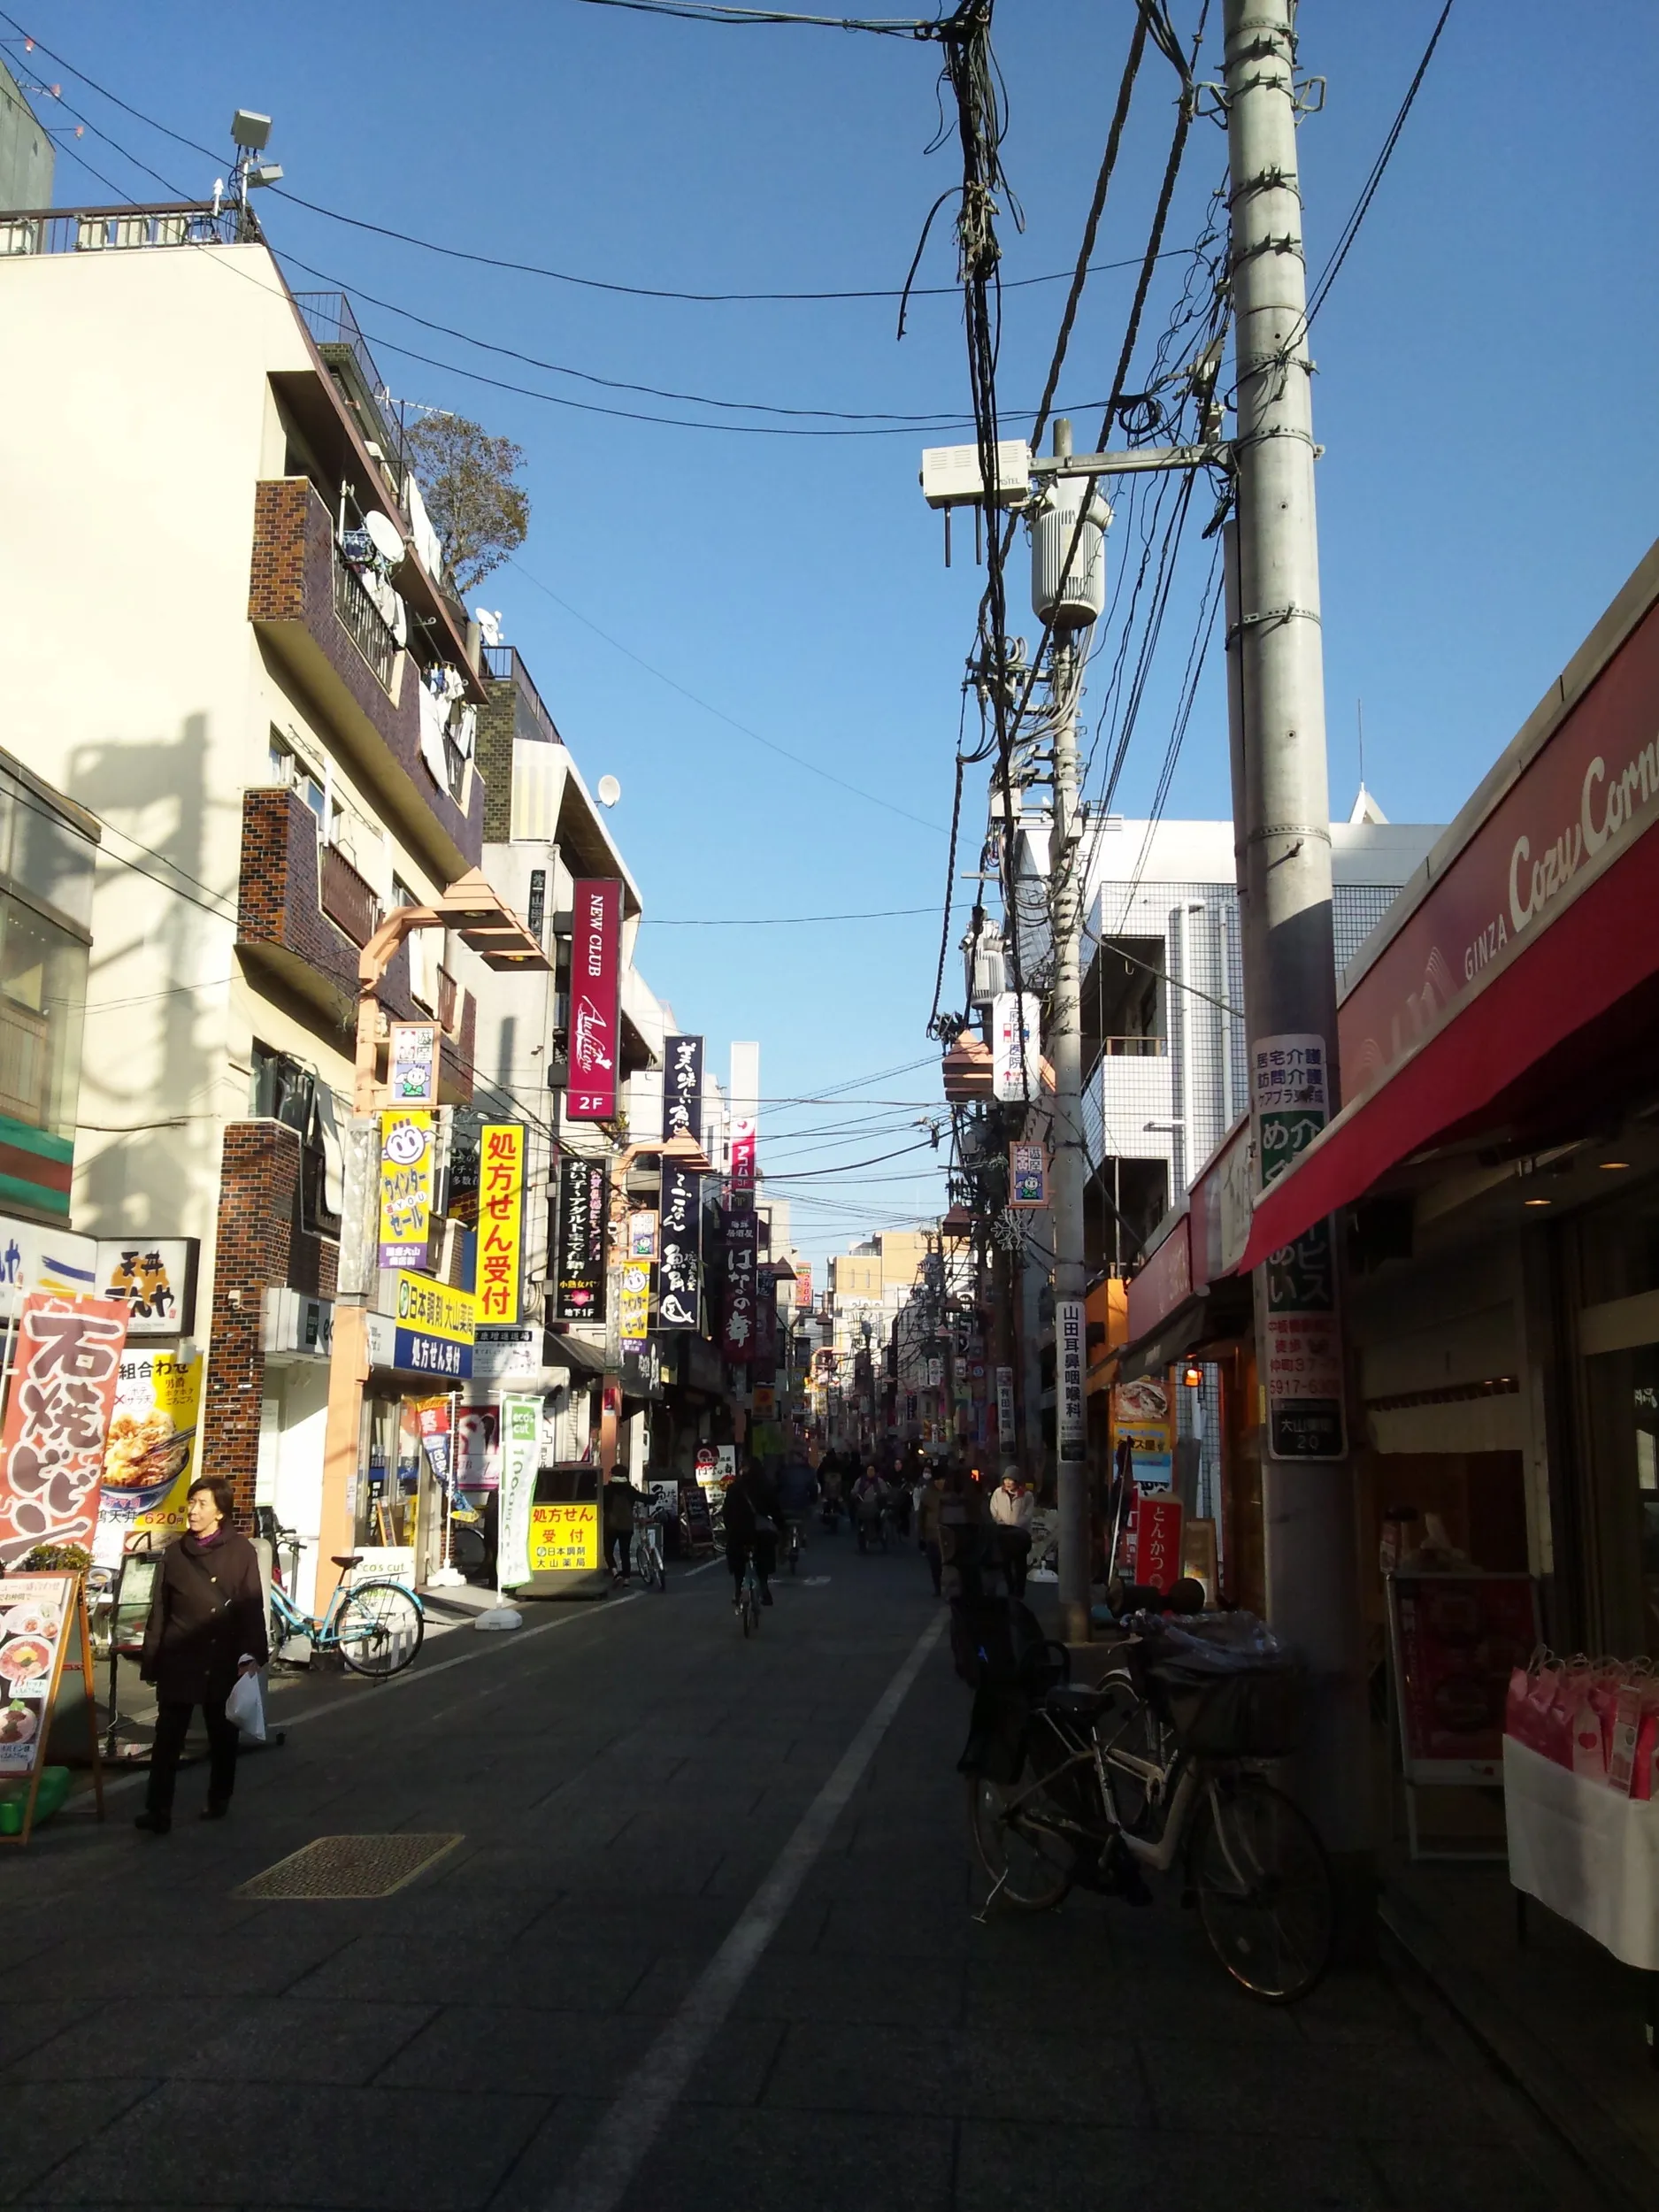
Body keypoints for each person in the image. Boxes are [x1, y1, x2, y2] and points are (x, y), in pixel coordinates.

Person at [135, 1476, 269, 1833]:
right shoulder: (176, 1552)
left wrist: (253, 1654)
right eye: (191, 1502)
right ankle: (157, 1810)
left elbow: (251, 1605)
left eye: (202, 1504)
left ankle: (219, 1797)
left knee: (222, 1733)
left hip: (221, 1654)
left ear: (220, 1512)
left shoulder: (241, 1551)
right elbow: (160, 1608)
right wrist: (153, 1658)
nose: (193, 1511)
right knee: (167, 1738)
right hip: (181, 1653)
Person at [723, 1459, 780, 1607]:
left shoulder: (734, 1488)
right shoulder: (765, 1486)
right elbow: (776, 1510)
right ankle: (764, 1586)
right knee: (765, 1554)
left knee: (736, 1556)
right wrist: (780, 1527)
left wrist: (729, 1528)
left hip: (739, 1532)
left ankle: (737, 1589)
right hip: (761, 1532)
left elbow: (726, 1512)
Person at [989, 1465, 1035, 1595]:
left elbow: (1028, 1514)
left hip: (1021, 1535)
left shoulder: (1027, 1495)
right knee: (1005, 1563)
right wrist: (1000, 1522)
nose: (1008, 1483)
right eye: (1006, 1479)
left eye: (1011, 1480)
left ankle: (1020, 1591)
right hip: (1003, 1533)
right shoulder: (998, 1492)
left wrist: (1016, 1526)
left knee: (1020, 1564)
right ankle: (1010, 1589)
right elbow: (994, 1510)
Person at [603, 1471, 641, 1584]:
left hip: (612, 1526)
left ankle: (615, 1573)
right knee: (625, 1552)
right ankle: (627, 1579)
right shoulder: (630, 1490)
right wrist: (654, 1498)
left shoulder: (606, 1490)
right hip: (627, 1525)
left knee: (608, 1550)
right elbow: (644, 1498)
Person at [777, 1451, 816, 1555]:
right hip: (802, 1507)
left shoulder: (783, 1472)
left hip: (785, 1507)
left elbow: (777, 1488)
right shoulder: (808, 1472)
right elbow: (813, 1490)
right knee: (807, 1516)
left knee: (783, 1524)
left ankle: (783, 1543)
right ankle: (803, 1536)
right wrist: (813, 1500)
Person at [916, 1463, 946, 1597]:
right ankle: (938, 1587)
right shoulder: (927, 1492)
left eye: (942, 1480)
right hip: (932, 1533)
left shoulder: (950, 1492)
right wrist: (921, 1534)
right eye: (938, 1480)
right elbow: (921, 1515)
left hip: (948, 1533)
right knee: (935, 1564)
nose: (941, 1482)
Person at [852, 1463, 887, 1553]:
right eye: (869, 1470)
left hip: (876, 1508)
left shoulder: (879, 1481)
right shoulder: (860, 1481)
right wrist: (854, 1495)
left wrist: (881, 1497)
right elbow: (854, 1491)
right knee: (860, 1523)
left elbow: (885, 1492)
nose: (870, 1472)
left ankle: (881, 1536)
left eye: (872, 1470)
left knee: (879, 1523)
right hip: (863, 1507)